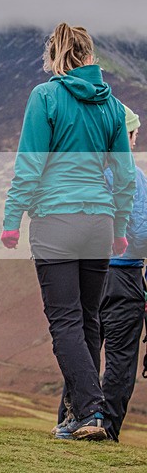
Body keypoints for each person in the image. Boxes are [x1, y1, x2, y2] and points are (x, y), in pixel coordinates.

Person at [1, 23, 135, 441]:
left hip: (56, 221)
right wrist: (118, 227)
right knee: (89, 321)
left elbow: (30, 163)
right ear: (90, 54)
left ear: (56, 56)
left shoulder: (45, 97)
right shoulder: (112, 107)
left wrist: (11, 218)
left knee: (65, 321)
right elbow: (125, 176)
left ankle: (90, 412)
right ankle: (81, 416)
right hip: (97, 222)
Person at [96, 105, 146, 442]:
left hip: (84, 274)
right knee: (120, 361)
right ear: (126, 136)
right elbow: (141, 234)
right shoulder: (136, 177)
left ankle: (71, 423)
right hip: (124, 278)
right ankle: (107, 431)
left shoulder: (82, 172)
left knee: (81, 353)